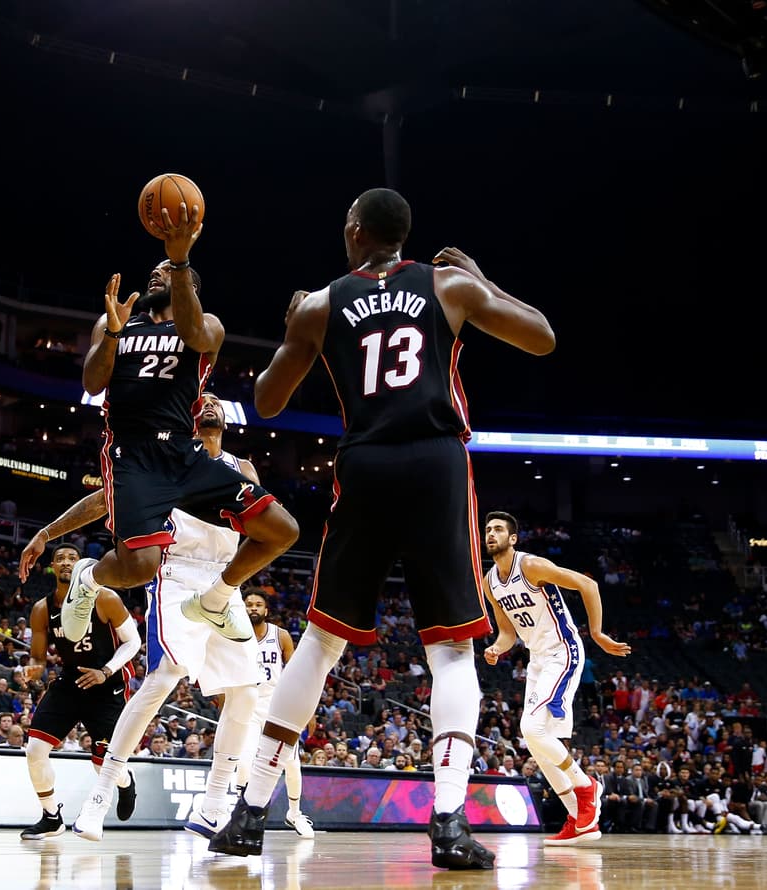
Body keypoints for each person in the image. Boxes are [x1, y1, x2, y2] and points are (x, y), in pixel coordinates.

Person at [210, 188, 557, 869]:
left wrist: (294, 334)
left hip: (365, 464)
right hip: (434, 462)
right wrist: (482, 281)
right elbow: (543, 337)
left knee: (320, 640)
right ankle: (450, 821)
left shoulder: (320, 303)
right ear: (404, 236)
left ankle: (250, 813)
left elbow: (266, 400)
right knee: (452, 650)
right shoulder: (449, 285)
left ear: (352, 232)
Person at [20, 393, 264, 841]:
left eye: (214, 400)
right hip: (177, 575)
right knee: (166, 674)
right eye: (200, 399)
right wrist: (48, 532)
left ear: (225, 419)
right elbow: (103, 499)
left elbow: (264, 528)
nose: (208, 403)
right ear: (187, 416)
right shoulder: (166, 460)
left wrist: (234, 581)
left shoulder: (243, 468)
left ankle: (213, 807)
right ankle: (100, 796)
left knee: (247, 693)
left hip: (225, 580)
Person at [59, 202, 298, 653]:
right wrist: (111, 333)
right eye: (154, 270)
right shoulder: (115, 323)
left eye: (165, 272)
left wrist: (182, 260)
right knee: (139, 567)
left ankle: (217, 598)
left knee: (283, 529)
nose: (156, 274)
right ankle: (89, 577)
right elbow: (92, 381)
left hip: (184, 455)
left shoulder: (206, 325)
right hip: (132, 455)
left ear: (188, 285)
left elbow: (196, 334)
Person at [481, 511, 631, 845]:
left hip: (563, 652)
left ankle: (587, 786)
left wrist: (597, 633)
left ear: (513, 538)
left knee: (529, 729)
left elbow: (588, 584)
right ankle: (580, 820)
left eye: (498, 530)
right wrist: (496, 648)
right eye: (488, 530)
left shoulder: (531, 566)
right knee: (537, 744)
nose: (491, 534)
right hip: (537, 659)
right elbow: (508, 633)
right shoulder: (490, 582)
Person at [16, 544, 140, 840]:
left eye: (73, 558)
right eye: (59, 559)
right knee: (35, 750)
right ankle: (51, 817)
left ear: (83, 566)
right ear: (52, 567)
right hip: (72, 681)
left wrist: (106, 671)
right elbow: (38, 658)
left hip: (108, 685)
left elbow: (133, 643)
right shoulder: (42, 609)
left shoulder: (105, 598)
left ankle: (125, 782)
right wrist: (31, 672)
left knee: (103, 766)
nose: (66, 563)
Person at [236, 589, 313, 837]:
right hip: (248, 704)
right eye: (249, 605)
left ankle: (294, 813)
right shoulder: (235, 635)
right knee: (244, 760)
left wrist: (307, 709)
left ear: (266, 610)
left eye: (258, 604)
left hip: (276, 704)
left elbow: (295, 673)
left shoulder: (281, 636)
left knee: (291, 763)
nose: (253, 608)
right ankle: (242, 814)